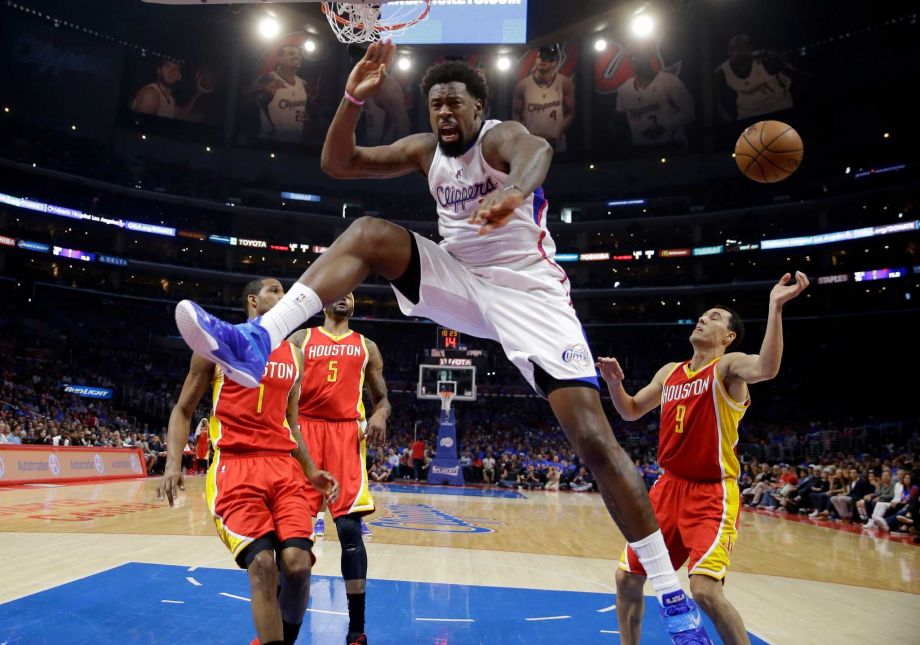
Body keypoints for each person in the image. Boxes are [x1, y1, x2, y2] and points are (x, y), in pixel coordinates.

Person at [174, 40, 707, 643]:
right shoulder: (426, 150)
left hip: (529, 294)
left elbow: (537, 149)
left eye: (456, 102)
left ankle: (671, 595)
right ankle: (259, 337)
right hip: (460, 280)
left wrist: (515, 192)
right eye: (436, 105)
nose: (445, 113)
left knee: (593, 441)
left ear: (480, 108)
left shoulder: (499, 139)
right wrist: (352, 95)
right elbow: (338, 163)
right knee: (370, 233)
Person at [599, 271, 809, 645]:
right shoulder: (671, 372)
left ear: (728, 337)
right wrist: (615, 384)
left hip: (711, 493)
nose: (703, 319)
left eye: (714, 317)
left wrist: (775, 306)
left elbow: (766, 368)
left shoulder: (728, 368)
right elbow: (630, 411)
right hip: (667, 488)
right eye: (702, 316)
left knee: (706, 591)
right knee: (626, 577)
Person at [157, 278, 338, 645]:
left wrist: (311, 469)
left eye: (287, 293)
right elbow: (182, 409)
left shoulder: (296, 355)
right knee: (262, 565)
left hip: (283, 468)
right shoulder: (216, 344)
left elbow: (291, 422)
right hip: (235, 466)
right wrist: (173, 464)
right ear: (253, 302)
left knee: (299, 566)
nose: (284, 297)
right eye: (275, 290)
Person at [288, 293, 391, 645]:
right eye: (337, 292)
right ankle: (283, 630)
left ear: (355, 304)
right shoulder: (301, 339)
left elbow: (383, 400)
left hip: (346, 438)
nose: (344, 297)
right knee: (292, 540)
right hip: (303, 435)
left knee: (350, 532)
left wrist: (379, 414)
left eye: (351, 293)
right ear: (324, 303)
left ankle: (356, 629)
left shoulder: (367, 346)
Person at [615, 40, 694, 151]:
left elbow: (689, 111)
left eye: (638, 55)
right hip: (640, 151)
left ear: (648, 56)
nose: (633, 59)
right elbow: (619, 121)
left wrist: (664, 127)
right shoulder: (624, 89)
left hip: (671, 148)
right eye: (630, 56)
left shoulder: (668, 80)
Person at [713, 34, 799, 122]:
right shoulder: (721, 72)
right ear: (729, 52)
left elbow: (796, 78)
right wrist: (731, 125)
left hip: (779, 109)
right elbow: (721, 104)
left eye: (741, 48)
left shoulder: (768, 59)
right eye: (733, 49)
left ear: (750, 49)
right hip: (749, 115)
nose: (737, 52)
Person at [513, 45, 575, 152]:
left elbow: (570, 112)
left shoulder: (565, 83)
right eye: (540, 57)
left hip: (556, 142)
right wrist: (525, 135)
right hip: (531, 141)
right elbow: (516, 113)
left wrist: (557, 134)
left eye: (548, 59)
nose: (543, 61)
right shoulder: (522, 86)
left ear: (555, 63)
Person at [253, 45, 310, 142]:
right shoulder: (268, 78)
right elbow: (245, 98)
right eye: (291, 53)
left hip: (296, 145)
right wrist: (266, 94)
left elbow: (310, 111)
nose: (297, 57)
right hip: (270, 144)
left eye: (299, 54)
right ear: (280, 59)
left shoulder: (303, 83)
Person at [131, 59, 209, 120]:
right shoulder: (151, 94)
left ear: (179, 77)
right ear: (159, 71)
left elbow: (181, 115)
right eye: (167, 66)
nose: (171, 71)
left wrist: (199, 92)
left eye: (176, 69)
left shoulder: (169, 98)